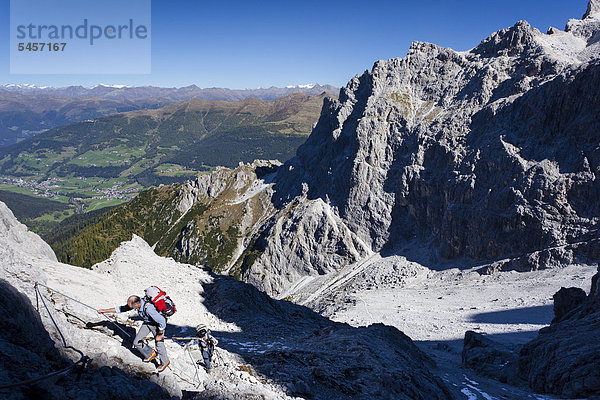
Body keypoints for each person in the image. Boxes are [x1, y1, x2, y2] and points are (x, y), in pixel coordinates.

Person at [98, 294, 170, 372]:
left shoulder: (148, 308)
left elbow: (162, 321)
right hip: (147, 323)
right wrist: (104, 311)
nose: (130, 308)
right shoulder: (138, 304)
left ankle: (165, 362)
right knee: (136, 342)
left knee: (159, 344)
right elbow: (121, 309)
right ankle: (150, 353)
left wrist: (160, 333)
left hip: (157, 325)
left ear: (137, 304)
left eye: (131, 306)